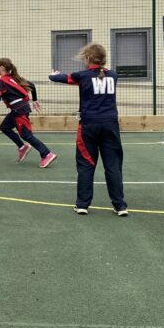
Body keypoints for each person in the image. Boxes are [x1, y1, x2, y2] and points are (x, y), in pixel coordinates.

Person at [49, 44, 127, 216]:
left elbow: (60, 78)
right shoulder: (113, 75)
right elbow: (100, 77)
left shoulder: (82, 76)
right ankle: (120, 205)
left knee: (86, 164)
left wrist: (53, 74)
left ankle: (83, 204)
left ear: (88, 58)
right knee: (113, 166)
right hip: (110, 124)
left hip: (89, 125)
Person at [0, 58, 56, 168]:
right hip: (19, 109)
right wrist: (35, 100)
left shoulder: (1, 81)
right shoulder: (14, 78)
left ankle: (47, 154)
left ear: (2, 67)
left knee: (26, 135)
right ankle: (22, 147)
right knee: (5, 127)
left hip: (19, 110)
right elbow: (31, 85)